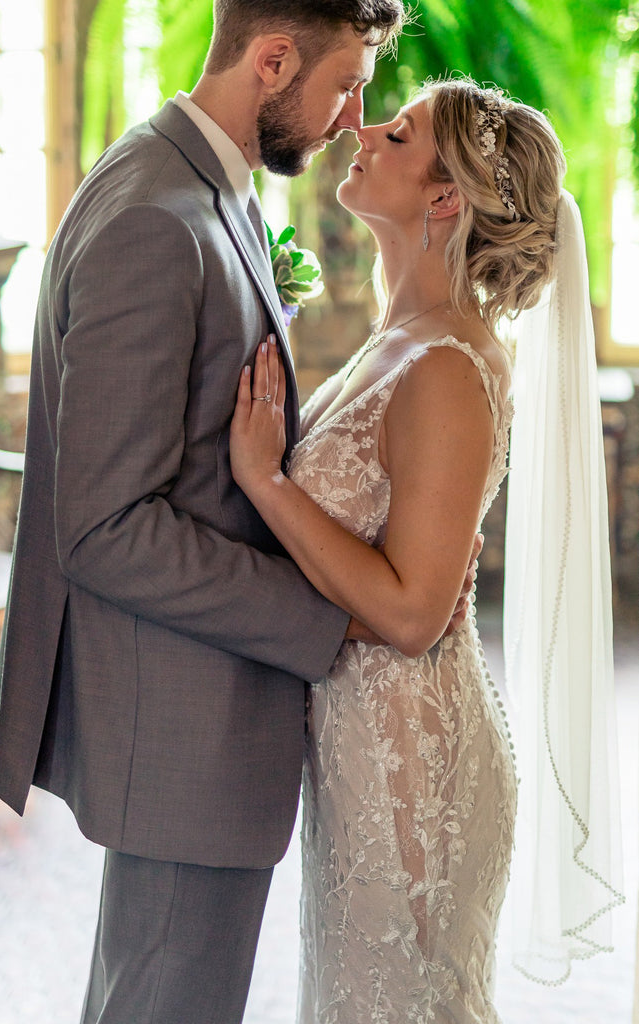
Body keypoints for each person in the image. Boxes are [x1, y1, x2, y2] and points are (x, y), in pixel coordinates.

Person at [0, 3, 418, 1023]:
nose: (351, 118)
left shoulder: (194, 181)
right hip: (185, 726)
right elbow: (104, 527)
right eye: (343, 84)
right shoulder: (157, 216)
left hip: (200, 719)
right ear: (272, 61)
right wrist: (331, 615)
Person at [230, 76, 622, 1021]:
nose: (362, 130)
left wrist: (267, 483)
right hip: (364, 750)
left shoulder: (446, 366)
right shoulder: (400, 337)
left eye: (397, 133)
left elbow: (411, 615)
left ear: (444, 198)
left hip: (410, 771)